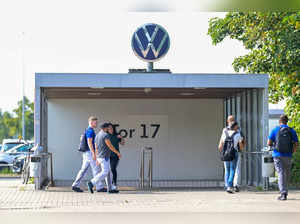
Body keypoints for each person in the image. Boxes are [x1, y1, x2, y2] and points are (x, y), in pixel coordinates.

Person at [268, 114, 299, 201]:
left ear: (279, 121)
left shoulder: (275, 129)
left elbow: (269, 143)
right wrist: (293, 151)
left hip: (277, 155)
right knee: (287, 173)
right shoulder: (291, 130)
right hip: (288, 155)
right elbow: (296, 143)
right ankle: (285, 191)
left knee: (280, 173)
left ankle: (283, 193)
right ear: (287, 121)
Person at [72, 116, 105, 193]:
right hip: (90, 153)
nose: (96, 124)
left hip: (86, 153)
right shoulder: (90, 131)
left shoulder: (87, 130)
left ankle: (75, 185)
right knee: (96, 169)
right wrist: (94, 153)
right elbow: (89, 142)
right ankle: (99, 187)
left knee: (83, 170)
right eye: (95, 122)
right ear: (91, 122)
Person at [87, 123, 121, 194]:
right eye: (108, 128)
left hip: (99, 156)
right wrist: (117, 152)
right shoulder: (105, 135)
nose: (109, 129)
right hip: (104, 156)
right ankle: (92, 182)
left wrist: (96, 157)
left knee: (108, 173)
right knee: (105, 172)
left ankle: (110, 188)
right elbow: (110, 145)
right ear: (105, 128)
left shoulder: (97, 135)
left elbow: (96, 147)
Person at [218, 121, 244, 193]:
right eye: (237, 126)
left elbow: (220, 146)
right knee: (232, 170)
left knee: (227, 170)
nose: (238, 127)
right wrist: (241, 150)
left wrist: (223, 152)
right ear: (235, 127)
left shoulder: (225, 133)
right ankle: (230, 186)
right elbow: (241, 146)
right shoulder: (238, 134)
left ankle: (227, 186)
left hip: (225, 153)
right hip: (234, 153)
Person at [107, 123, 125, 191]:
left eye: (111, 128)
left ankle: (114, 184)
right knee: (107, 171)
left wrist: (121, 138)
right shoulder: (106, 136)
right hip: (107, 155)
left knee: (113, 168)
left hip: (115, 155)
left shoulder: (116, 135)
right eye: (108, 128)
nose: (110, 129)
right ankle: (109, 185)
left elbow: (123, 143)